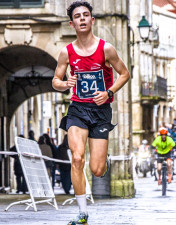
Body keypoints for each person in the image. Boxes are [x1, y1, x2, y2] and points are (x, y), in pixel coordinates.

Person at [51, 1, 130, 224]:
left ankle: (102, 159)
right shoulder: (66, 53)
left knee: (96, 169)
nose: (83, 19)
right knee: (77, 158)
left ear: (92, 20)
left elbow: (124, 74)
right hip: (78, 108)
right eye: (78, 16)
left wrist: (109, 92)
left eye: (86, 15)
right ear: (72, 23)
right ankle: (83, 213)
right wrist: (65, 84)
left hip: (101, 111)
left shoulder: (106, 49)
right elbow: (55, 81)